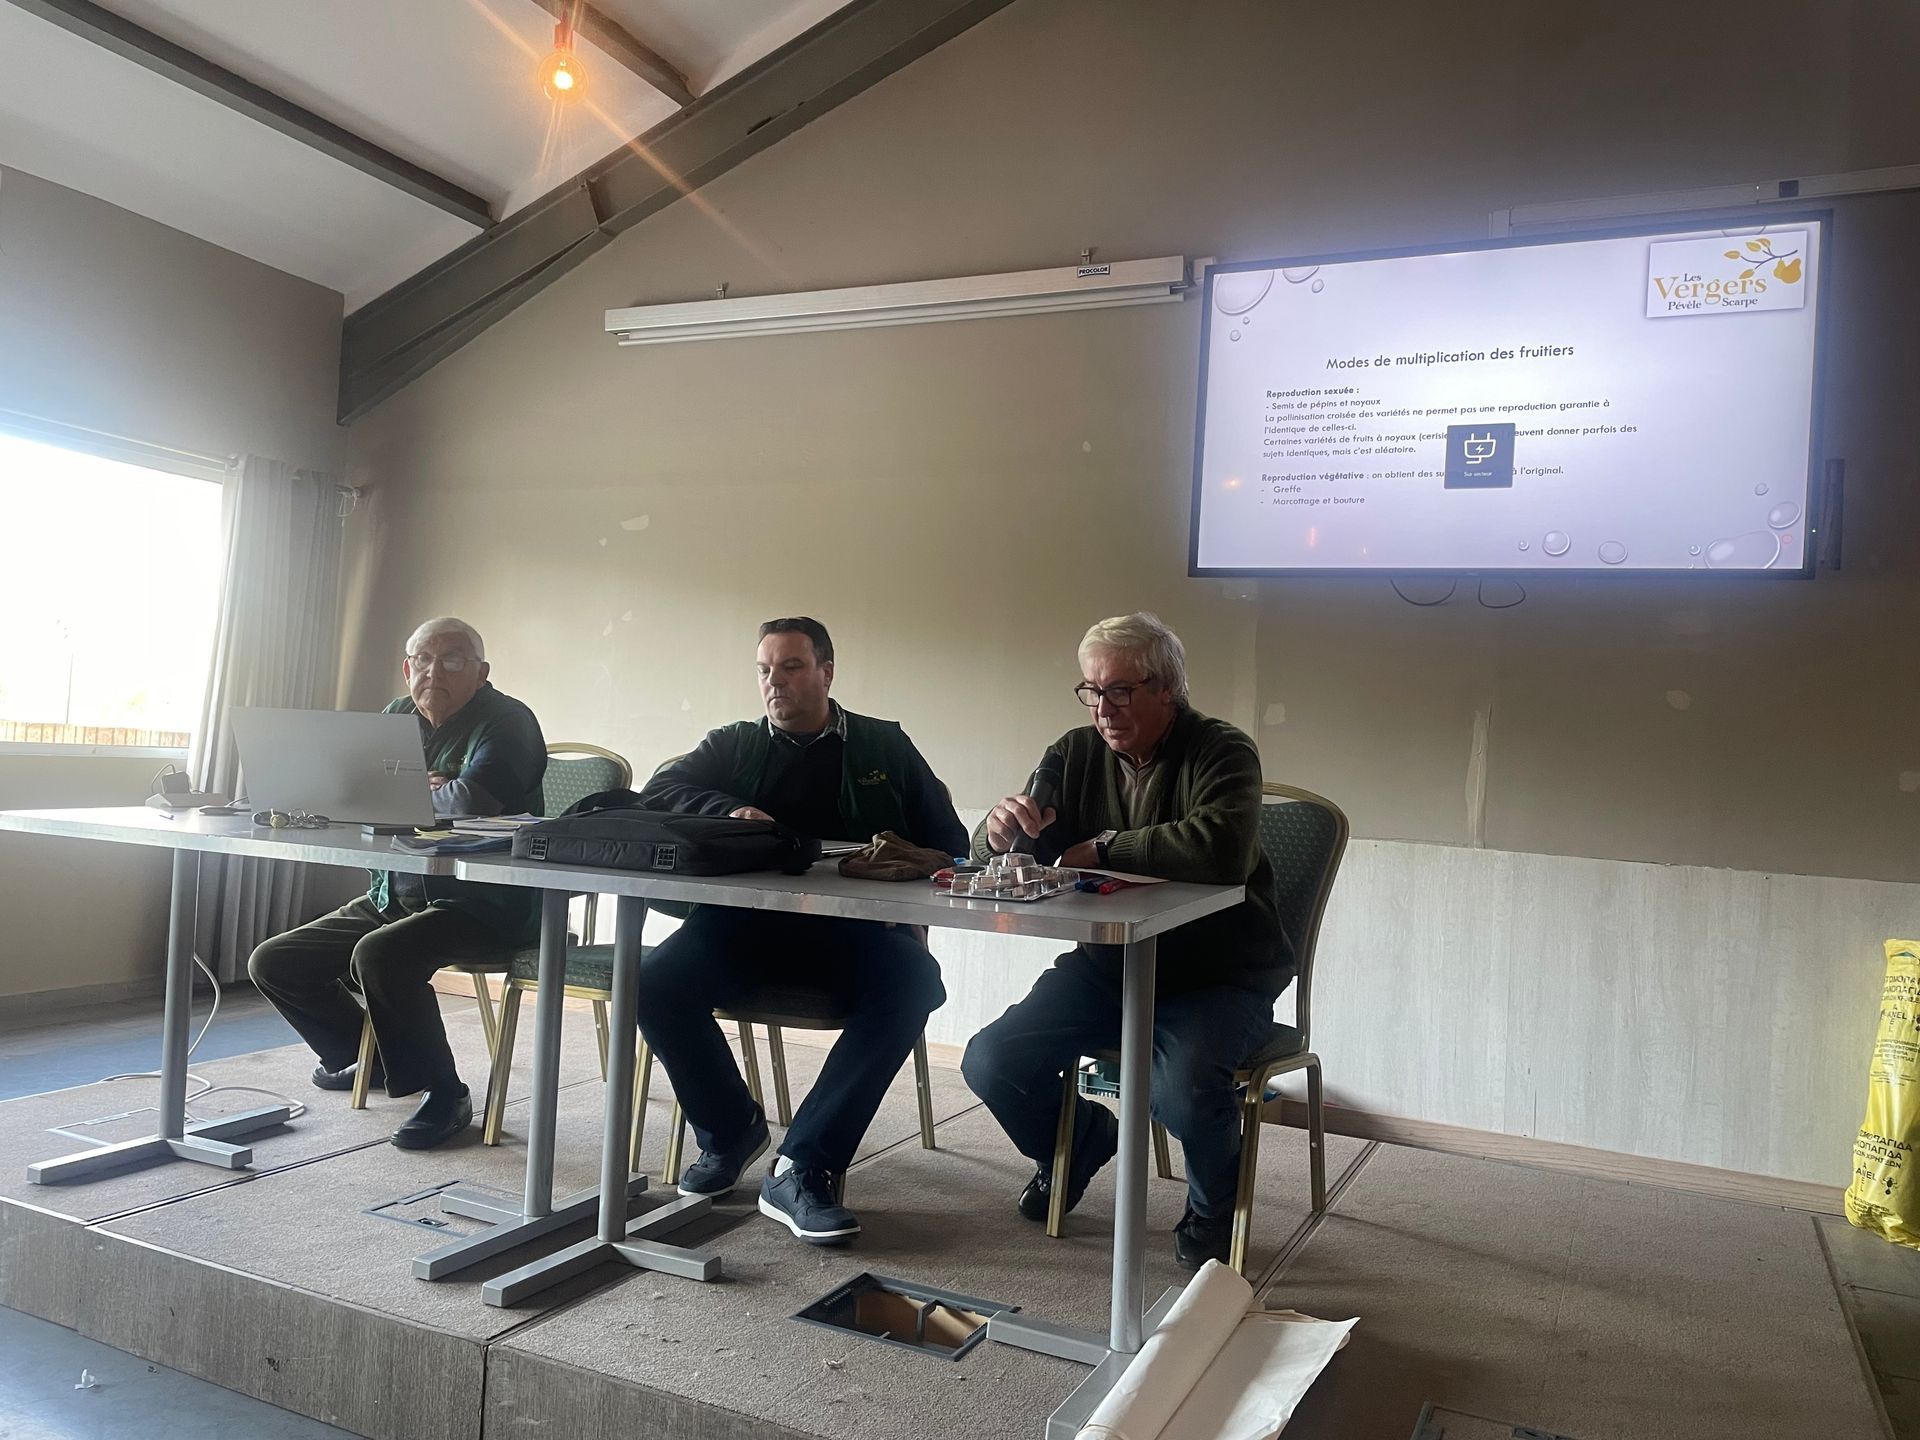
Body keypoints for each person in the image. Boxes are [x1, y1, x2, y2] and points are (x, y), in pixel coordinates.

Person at [960, 612, 1290, 1267]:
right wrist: (994, 835)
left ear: (1167, 689)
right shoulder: (1072, 752)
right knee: (992, 1060)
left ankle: (1213, 1211)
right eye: (1091, 691)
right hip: (1109, 963)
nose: (1102, 709)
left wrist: (1107, 846)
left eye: (1119, 690)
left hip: (1218, 975)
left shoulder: (1222, 750)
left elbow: (1221, 849)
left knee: (1181, 1093)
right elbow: (1019, 852)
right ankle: (1081, 1141)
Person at [635, 617, 967, 1246]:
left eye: (790, 667)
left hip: (853, 932)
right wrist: (727, 809)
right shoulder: (733, 743)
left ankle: (803, 1164)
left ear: (826, 672)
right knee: (652, 981)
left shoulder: (883, 744)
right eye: (765, 670)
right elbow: (660, 792)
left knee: (915, 983)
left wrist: (902, 885)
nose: (775, 683)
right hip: (740, 926)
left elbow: (950, 842)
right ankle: (730, 1131)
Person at [248, 618, 547, 1150]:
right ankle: (373, 1057)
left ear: (481, 672)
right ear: (408, 669)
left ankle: (445, 1093)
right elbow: (350, 790)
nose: (435, 672)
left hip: (485, 904)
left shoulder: (509, 722)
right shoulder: (396, 716)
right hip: (396, 893)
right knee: (276, 962)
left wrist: (412, 794)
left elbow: (473, 799)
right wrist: (426, 791)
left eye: (452, 660)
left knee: (381, 955)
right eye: (423, 660)